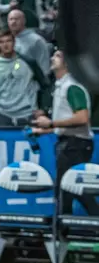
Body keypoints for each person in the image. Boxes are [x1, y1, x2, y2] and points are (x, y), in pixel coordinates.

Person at [34, 50, 95, 215]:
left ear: (67, 62)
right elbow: (67, 119)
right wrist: (46, 129)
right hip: (69, 144)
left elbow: (82, 117)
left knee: (71, 190)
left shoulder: (72, 86)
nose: (53, 58)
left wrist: (52, 123)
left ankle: (64, 232)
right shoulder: (61, 86)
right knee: (68, 191)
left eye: (58, 56)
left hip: (76, 146)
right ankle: (63, 232)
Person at [0, 30, 40, 127]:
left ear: (14, 43)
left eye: (8, 41)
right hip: (3, 115)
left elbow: (44, 84)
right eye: (2, 42)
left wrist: (43, 108)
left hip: (27, 114)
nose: (5, 45)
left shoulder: (29, 62)